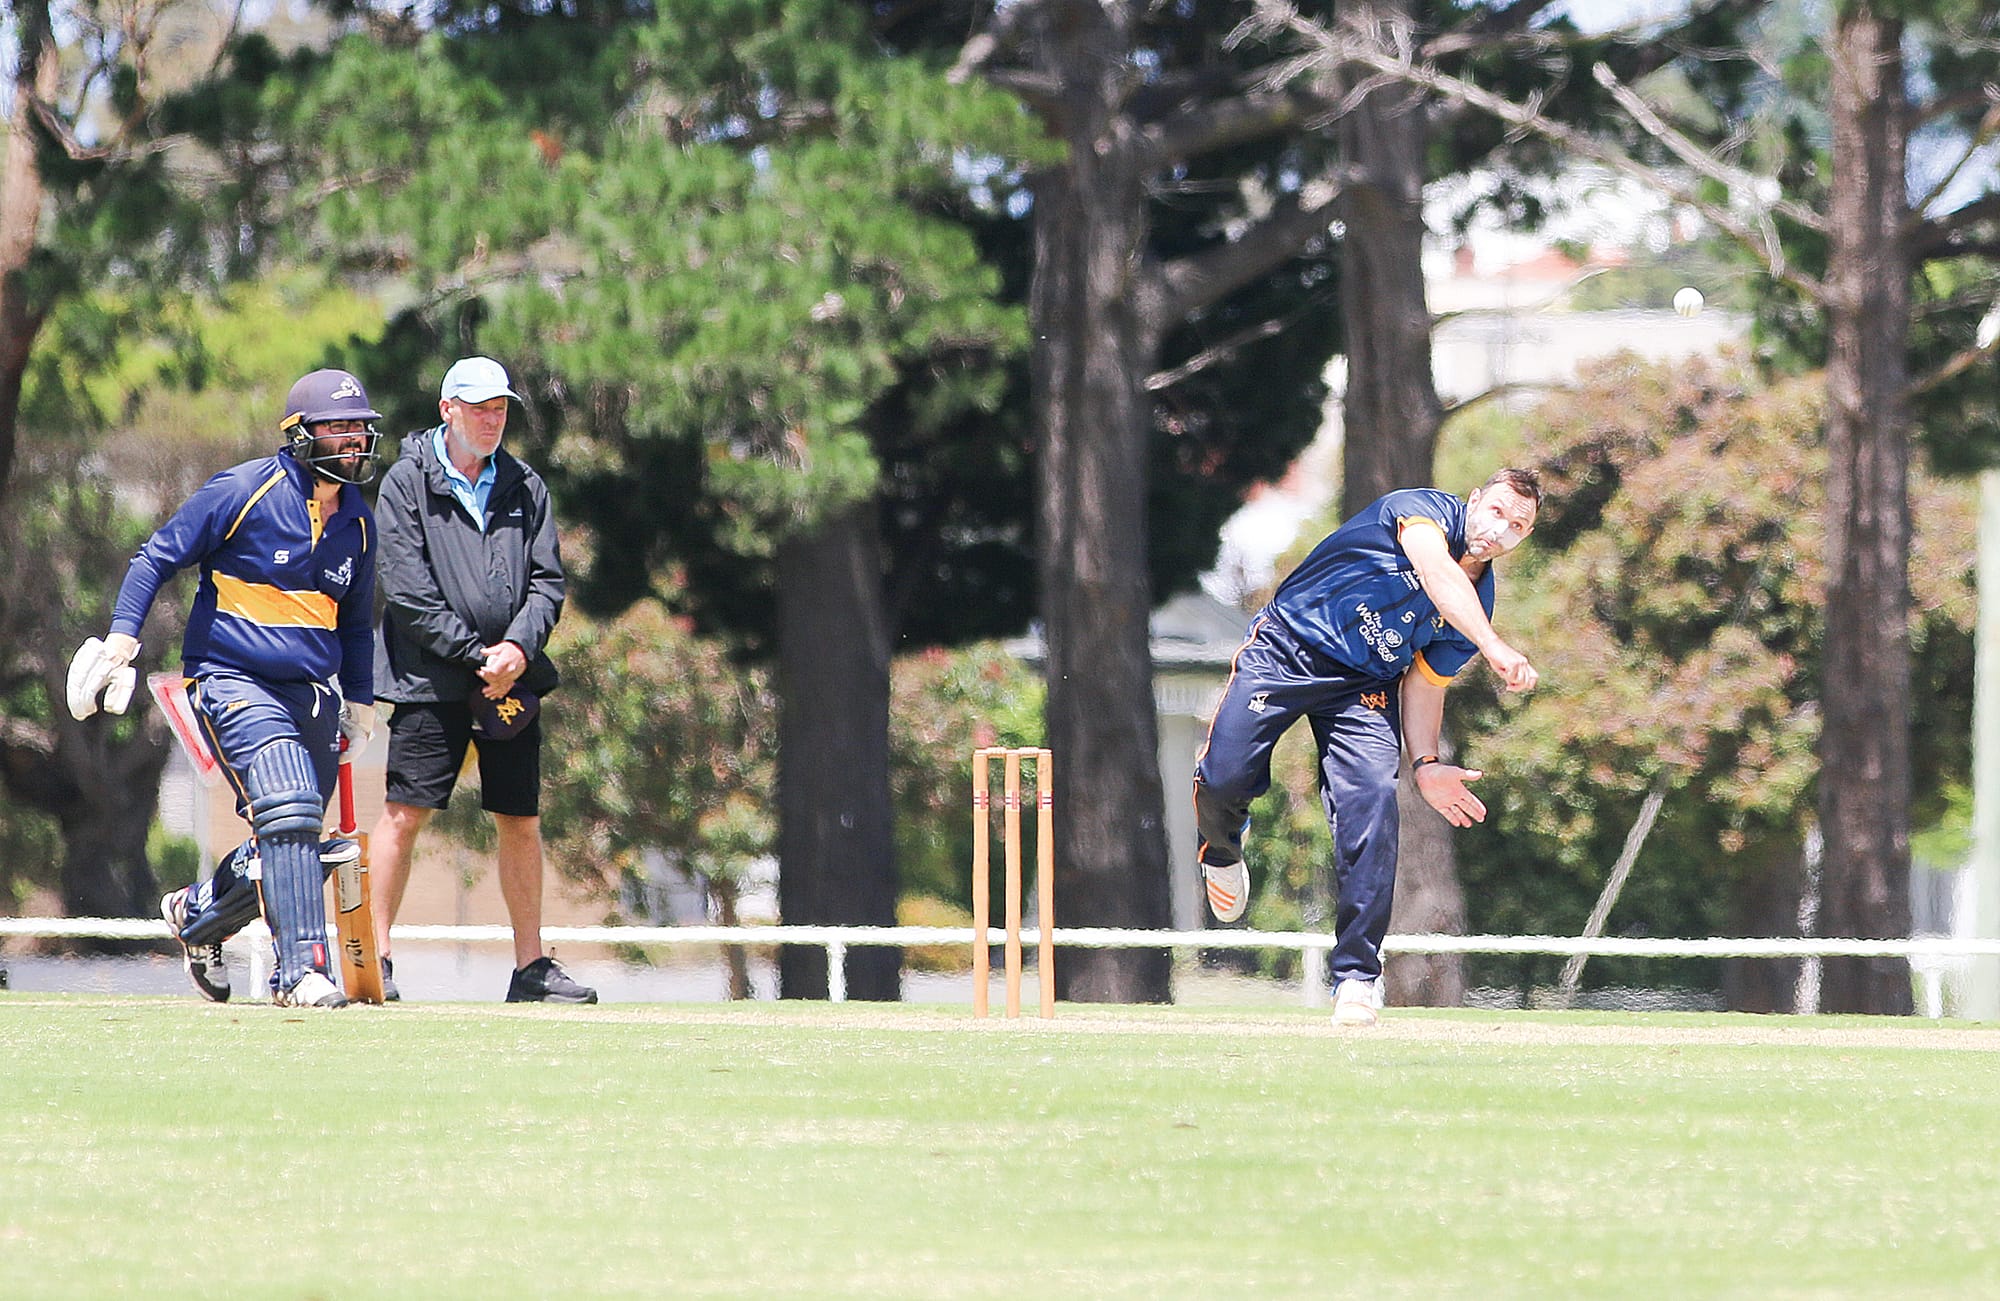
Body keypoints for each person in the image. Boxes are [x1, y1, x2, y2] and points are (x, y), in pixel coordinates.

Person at [68, 368, 383, 1009]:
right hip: (233, 680)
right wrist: (123, 638)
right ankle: (298, 973)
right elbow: (154, 557)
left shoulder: (358, 521)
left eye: (360, 430)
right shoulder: (244, 489)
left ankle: (199, 916)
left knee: (292, 837)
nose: (353, 441)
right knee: (292, 808)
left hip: (311, 695)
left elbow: (353, 624)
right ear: (299, 436)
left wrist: (360, 700)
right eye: (338, 428)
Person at [1192, 469, 1542, 1027]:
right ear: (1474, 501)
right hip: (1288, 648)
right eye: (1496, 511)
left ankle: (1356, 975)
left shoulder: (1480, 600)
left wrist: (1426, 765)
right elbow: (1433, 573)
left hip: (1363, 686)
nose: (1500, 529)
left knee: (1374, 801)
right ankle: (1223, 849)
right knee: (1224, 778)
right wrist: (1494, 646)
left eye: (1518, 526)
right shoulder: (1422, 511)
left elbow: (1426, 685)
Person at [368, 356, 595, 1004]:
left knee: (519, 816)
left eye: (499, 408)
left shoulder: (525, 484)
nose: (492, 419)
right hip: (428, 675)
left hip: (511, 678)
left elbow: (547, 581)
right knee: (404, 814)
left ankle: (531, 969)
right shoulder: (407, 482)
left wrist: (518, 648)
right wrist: (478, 655)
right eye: (478, 408)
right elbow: (407, 591)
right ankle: (374, 960)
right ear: (448, 410)